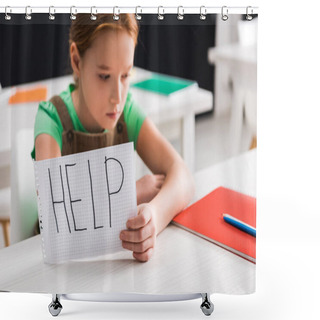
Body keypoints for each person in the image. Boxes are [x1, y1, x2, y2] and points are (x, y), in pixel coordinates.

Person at [32, 14, 194, 262]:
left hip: (111, 265)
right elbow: (56, 212)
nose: (117, 97)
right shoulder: (51, 118)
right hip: (60, 266)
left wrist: (154, 217)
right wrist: (133, 191)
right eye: (104, 76)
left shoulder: (126, 111)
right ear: (77, 60)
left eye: (125, 76)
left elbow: (182, 174)